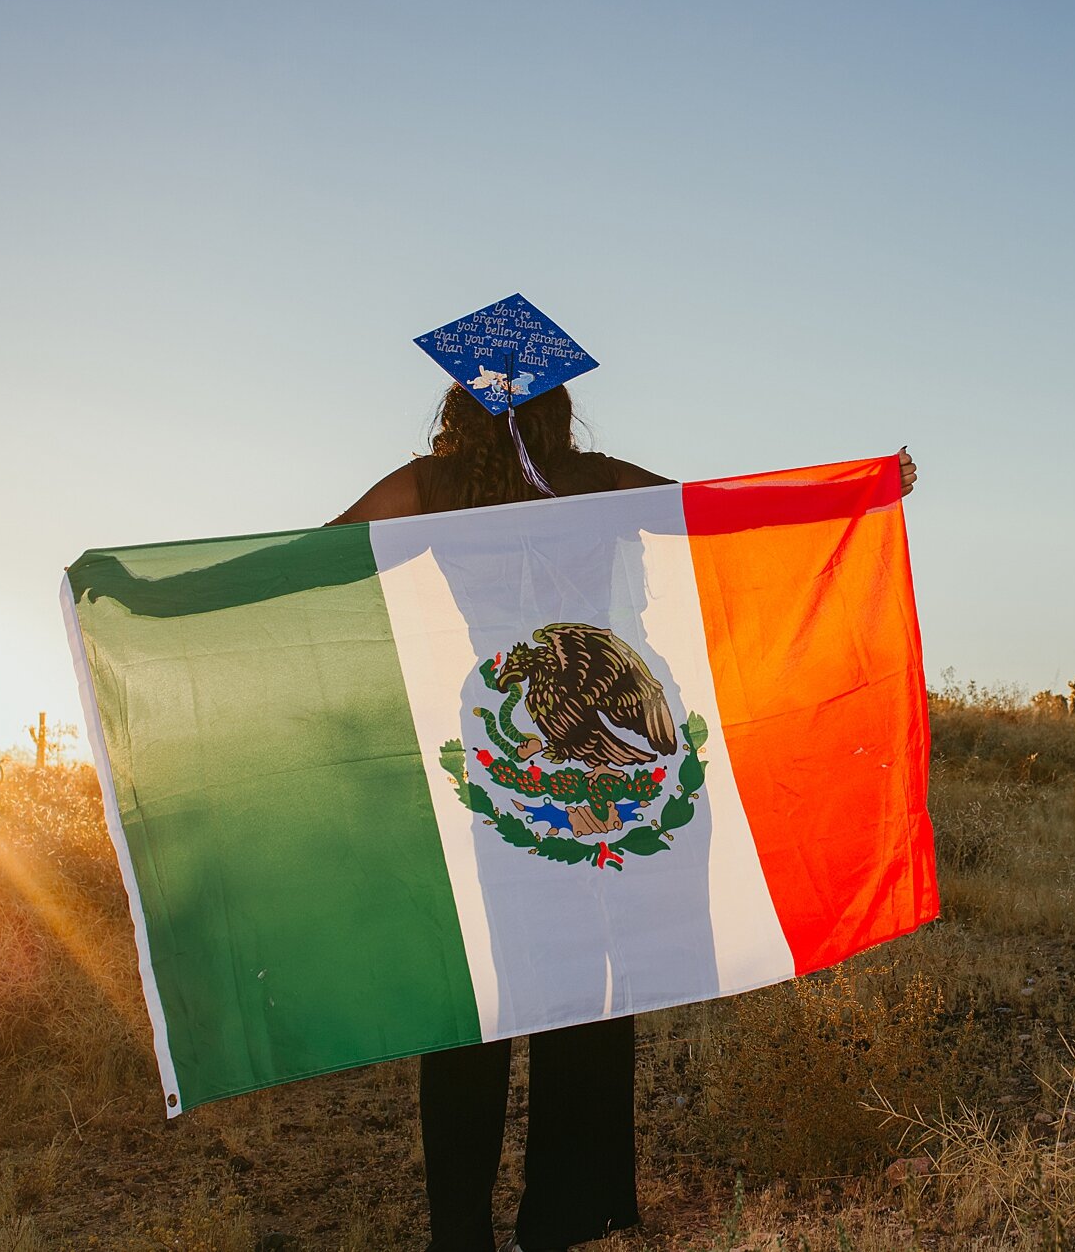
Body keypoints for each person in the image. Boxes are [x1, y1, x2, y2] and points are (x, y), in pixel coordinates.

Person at [330, 381, 916, 1252]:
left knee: (482, 985)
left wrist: (160, 592)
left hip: (499, 743)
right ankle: (565, 1215)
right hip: (603, 741)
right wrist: (851, 493)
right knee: (585, 974)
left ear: (460, 405)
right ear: (555, 404)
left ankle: (459, 1230)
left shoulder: (433, 486)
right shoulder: (594, 477)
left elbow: (310, 557)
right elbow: (713, 513)